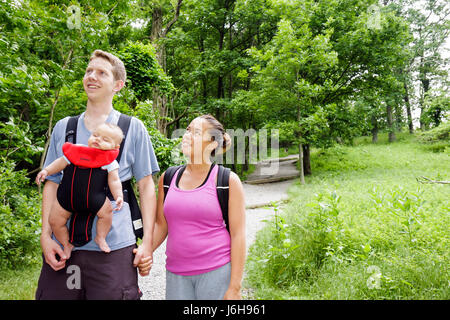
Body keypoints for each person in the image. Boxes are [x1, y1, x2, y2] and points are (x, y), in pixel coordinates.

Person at [35, 50, 159, 300]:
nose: (92, 76)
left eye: (102, 73)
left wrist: (146, 243)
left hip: (113, 248)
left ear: (117, 85)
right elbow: (51, 184)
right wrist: (45, 236)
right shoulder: (65, 128)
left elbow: (146, 186)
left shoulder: (132, 128)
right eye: (89, 71)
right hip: (65, 248)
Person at [139, 114, 246, 300]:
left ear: (212, 144)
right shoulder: (169, 177)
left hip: (216, 272)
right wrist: (145, 250)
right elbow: (161, 225)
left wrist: (235, 287)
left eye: (195, 132)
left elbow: (238, 235)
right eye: (187, 130)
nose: (186, 135)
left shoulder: (227, 180)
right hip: (176, 274)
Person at [36, 123, 125, 254]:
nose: (98, 139)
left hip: (95, 200)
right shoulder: (77, 150)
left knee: (107, 214)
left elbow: (114, 180)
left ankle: (100, 237)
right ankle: (66, 244)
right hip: (66, 199)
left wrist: (119, 196)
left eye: (105, 139)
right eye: (95, 135)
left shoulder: (109, 161)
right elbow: (60, 163)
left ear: (115, 147)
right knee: (54, 221)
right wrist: (47, 171)